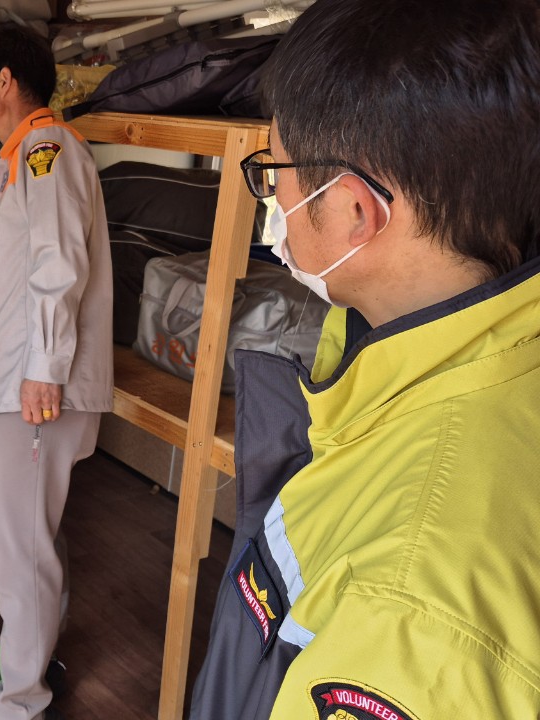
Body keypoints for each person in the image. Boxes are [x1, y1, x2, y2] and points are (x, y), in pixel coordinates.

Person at [189, 1, 540, 718]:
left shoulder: (409, 609)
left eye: (275, 175)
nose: (274, 200)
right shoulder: (477, 365)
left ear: (355, 210)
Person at [0, 27, 114, 720]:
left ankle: (19, 703)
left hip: (36, 387)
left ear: (3, 81)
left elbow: (58, 266)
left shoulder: (46, 149)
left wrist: (43, 370)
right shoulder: (22, 155)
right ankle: (37, 660)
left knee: (19, 546)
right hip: (26, 380)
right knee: (31, 534)